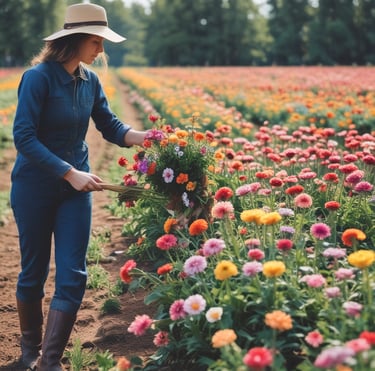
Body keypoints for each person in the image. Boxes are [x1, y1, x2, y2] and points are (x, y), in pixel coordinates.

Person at [10, 3, 147, 370]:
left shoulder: (90, 80)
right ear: (73, 40)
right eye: (95, 40)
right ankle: (29, 351)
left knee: (73, 273)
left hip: (76, 192)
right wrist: (69, 172)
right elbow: (22, 136)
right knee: (33, 272)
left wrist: (146, 137)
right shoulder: (37, 78)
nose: (101, 48)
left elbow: (111, 126)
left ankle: (49, 361)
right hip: (35, 188)